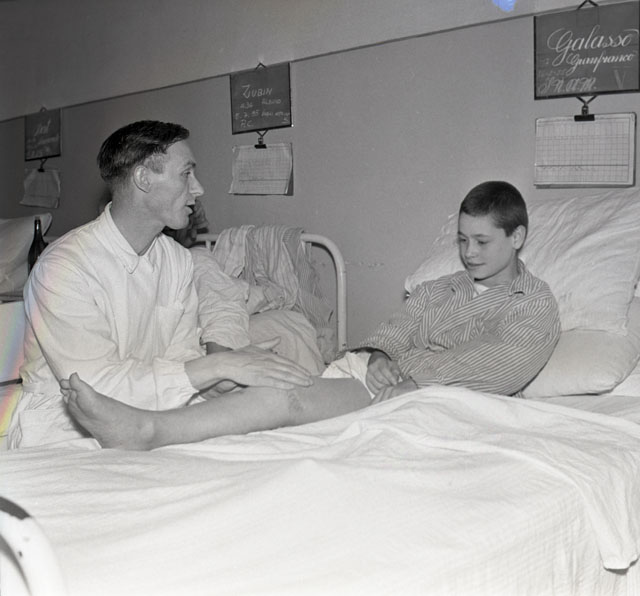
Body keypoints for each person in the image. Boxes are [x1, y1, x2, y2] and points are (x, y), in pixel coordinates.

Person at [58, 179, 561, 450]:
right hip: (384, 381)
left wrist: (412, 379)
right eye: (462, 241)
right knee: (283, 391)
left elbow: (497, 365)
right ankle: (153, 426)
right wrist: (380, 355)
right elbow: (400, 328)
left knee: (287, 400)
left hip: (439, 397)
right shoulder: (440, 289)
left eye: (482, 242)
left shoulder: (533, 305)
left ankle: (150, 430)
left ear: (517, 237)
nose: (469, 253)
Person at [7, 120, 339, 449]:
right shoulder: (64, 268)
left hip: (153, 417)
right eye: (186, 174)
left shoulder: (175, 259)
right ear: (143, 179)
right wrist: (217, 365)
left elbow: (181, 358)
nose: (199, 188)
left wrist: (216, 382)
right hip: (64, 434)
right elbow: (94, 391)